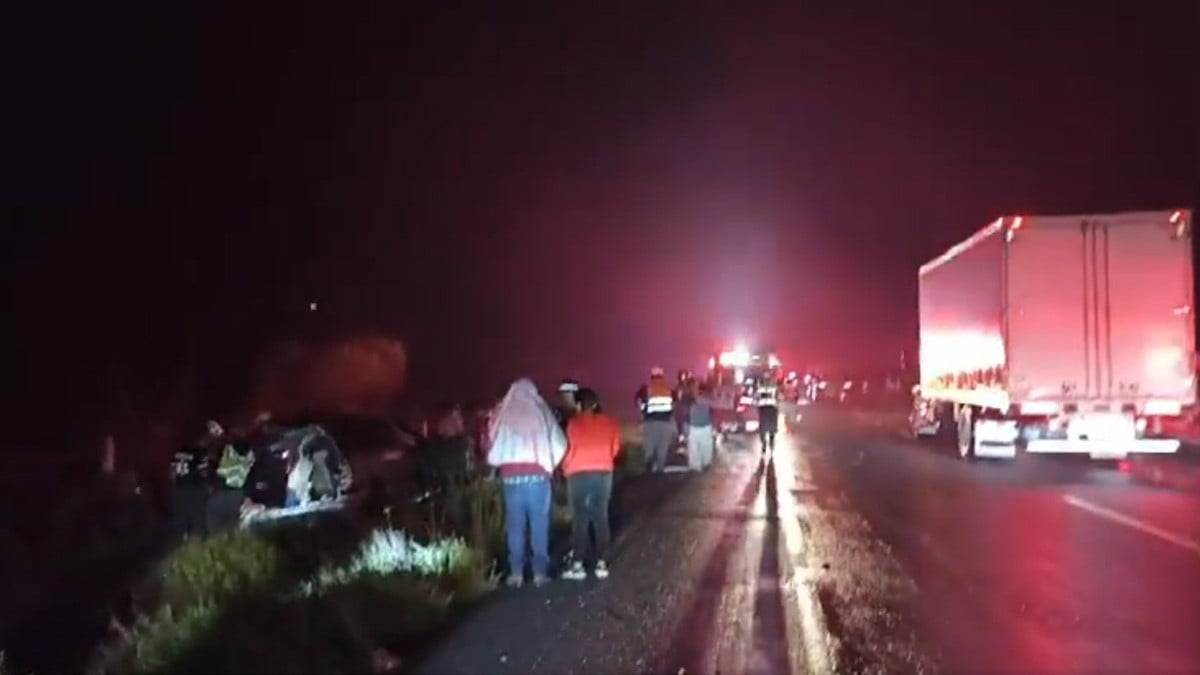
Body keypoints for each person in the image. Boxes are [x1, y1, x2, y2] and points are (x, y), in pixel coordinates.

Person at [486, 378, 567, 587]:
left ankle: (516, 574)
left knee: (515, 526)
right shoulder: (541, 410)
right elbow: (559, 442)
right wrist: (549, 463)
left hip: (511, 479)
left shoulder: (501, 413)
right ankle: (540, 573)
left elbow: (489, 441)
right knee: (539, 523)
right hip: (538, 477)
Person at [560, 387, 621, 580]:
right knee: (600, 515)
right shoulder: (610, 423)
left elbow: (566, 450)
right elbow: (615, 448)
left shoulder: (572, 425)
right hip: (603, 472)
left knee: (580, 518)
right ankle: (602, 562)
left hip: (577, 473)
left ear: (579, 405)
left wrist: (566, 468)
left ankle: (577, 564)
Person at [170, 420, 222, 538]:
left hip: (177, 490)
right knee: (199, 526)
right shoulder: (200, 453)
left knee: (179, 525)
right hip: (194, 491)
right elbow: (204, 474)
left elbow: (171, 472)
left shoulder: (178, 450)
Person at [635, 366, 676, 472]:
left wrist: (643, 413)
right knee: (662, 449)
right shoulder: (669, 389)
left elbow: (639, 403)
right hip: (666, 423)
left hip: (650, 423)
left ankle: (648, 471)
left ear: (652, 376)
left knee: (649, 448)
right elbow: (674, 406)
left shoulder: (646, 388)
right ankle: (660, 472)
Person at [687, 383, 717, 471]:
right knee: (697, 447)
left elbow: (712, 405)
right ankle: (698, 465)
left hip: (702, 426)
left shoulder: (704, 399)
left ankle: (703, 464)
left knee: (702, 446)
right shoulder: (693, 399)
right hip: (697, 426)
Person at [755, 374, 781, 451]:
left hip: (766, 408)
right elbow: (778, 398)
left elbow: (756, 398)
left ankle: (766, 442)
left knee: (765, 428)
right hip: (769, 408)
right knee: (769, 427)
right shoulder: (773, 388)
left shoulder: (761, 388)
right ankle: (768, 442)